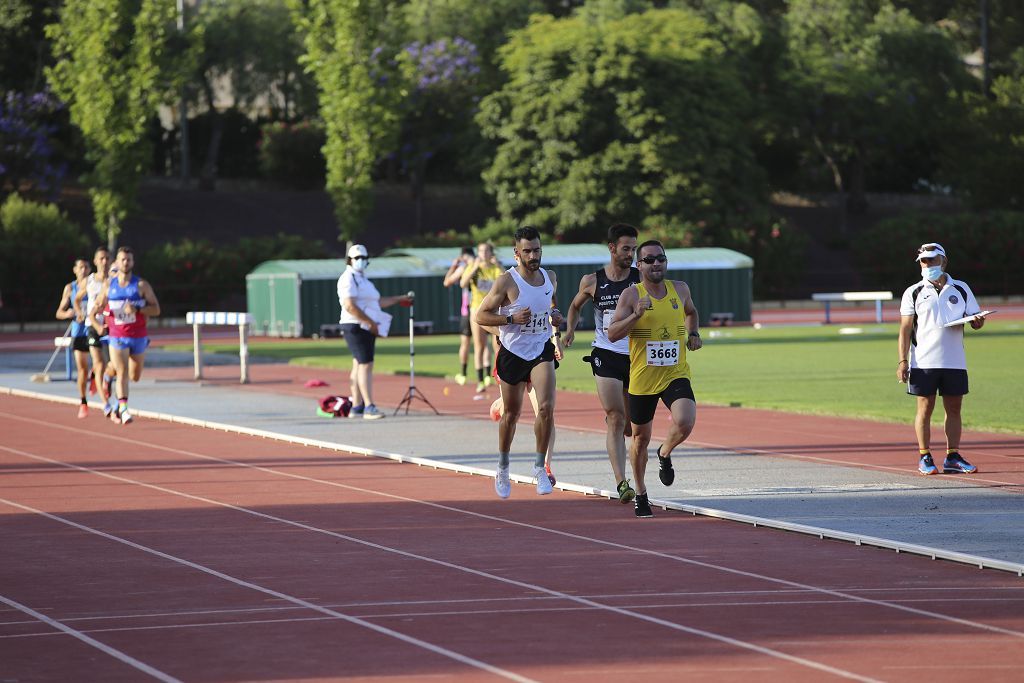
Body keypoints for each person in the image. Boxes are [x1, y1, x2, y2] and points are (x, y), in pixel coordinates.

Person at [608, 240, 702, 518]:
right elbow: (613, 333)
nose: (656, 263)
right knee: (639, 440)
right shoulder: (630, 295)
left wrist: (693, 333)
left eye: (660, 258)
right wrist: (636, 315)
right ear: (640, 266)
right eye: (649, 260)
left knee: (685, 420)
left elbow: (691, 312)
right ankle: (641, 493)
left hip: (675, 372)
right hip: (643, 378)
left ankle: (665, 452)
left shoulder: (680, 288)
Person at [475, 226, 564, 498]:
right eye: (527, 251)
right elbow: (481, 316)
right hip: (513, 353)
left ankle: (539, 468)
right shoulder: (506, 282)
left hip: (540, 350)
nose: (533, 255)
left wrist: (557, 321)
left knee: (546, 409)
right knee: (511, 414)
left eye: (537, 249)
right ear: (517, 254)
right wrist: (510, 319)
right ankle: (503, 466)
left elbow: (551, 306)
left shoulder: (550, 277)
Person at [564, 223, 640, 504]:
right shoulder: (592, 280)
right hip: (605, 353)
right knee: (616, 419)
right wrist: (570, 329)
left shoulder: (640, 278)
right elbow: (574, 306)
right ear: (611, 248)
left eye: (633, 249)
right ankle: (622, 482)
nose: (630, 254)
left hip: (637, 356)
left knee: (633, 427)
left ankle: (620, 426)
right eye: (626, 249)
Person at [897, 242, 986, 476]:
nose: (927, 265)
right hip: (924, 360)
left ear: (943, 261)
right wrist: (902, 361)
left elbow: (974, 318)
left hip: (954, 359)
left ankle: (952, 456)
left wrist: (978, 322)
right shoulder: (913, 291)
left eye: (931, 260)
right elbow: (905, 329)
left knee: (954, 408)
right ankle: (924, 456)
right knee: (925, 409)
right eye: (923, 261)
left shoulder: (961, 288)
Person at [337, 244, 413, 419]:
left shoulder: (363, 279)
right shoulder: (348, 278)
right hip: (356, 325)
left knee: (358, 364)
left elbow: (377, 302)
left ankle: (356, 406)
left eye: (364, 259)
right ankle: (368, 406)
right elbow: (349, 305)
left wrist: (398, 299)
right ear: (350, 260)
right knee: (365, 364)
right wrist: (369, 322)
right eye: (358, 258)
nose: (361, 261)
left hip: (364, 325)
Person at [94, 246, 160, 425]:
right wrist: (97, 320)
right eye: (123, 259)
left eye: (129, 260)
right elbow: (97, 307)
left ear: (133, 262)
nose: (126, 263)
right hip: (117, 336)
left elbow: (156, 309)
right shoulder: (109, 285)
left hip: (138, 335)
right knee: (122, 372)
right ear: (117, 261)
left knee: (135, 376)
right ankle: (123, 408)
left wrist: (138, 308)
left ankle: (108, 373)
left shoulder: (141, 285)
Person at [77, 246, 117, 417]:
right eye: (101, 258)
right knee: (99, 364)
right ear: (95, 261)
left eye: (107, 258)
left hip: (112, 326)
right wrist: (79, 311)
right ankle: (105, 404)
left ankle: (105, 379)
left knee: (114, 366)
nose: (104, 262)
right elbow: (77, 298)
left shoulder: (115, 279)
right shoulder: (89, 281)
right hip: (93, 326)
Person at [461, 241, 504, 392]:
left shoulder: (495, 268)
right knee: (479, 344)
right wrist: (473, 268)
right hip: (477, 309)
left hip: (493, 310)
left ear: (491, 252)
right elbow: (462, 283)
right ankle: (480, 380)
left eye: (486, 251)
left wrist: (498, 265)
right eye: (480, 251)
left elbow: (508, 280)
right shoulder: (474, 267)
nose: (483, 254)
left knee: (497, 344)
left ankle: (498, 373)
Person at [55, 258, 92, 418]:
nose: (83, 270)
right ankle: (83, 402)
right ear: (75, 270)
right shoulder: (70, 288)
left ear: (90, 269)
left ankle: (98, 378)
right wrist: (68, 313)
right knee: (82, 368)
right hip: (79, 332)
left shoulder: (95, 285)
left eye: (85, 267)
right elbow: (59, 312)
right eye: (80, 267)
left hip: (95, 329)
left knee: (100, 364)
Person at [443, 246, 475, 385]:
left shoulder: (464, 268)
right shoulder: (483, 266)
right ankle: (486, 375)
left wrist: (454, 266)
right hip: (484, 309)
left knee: (465, 343)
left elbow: (447, 282)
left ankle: (463, 373)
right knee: (484, 345)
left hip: (468, 310)